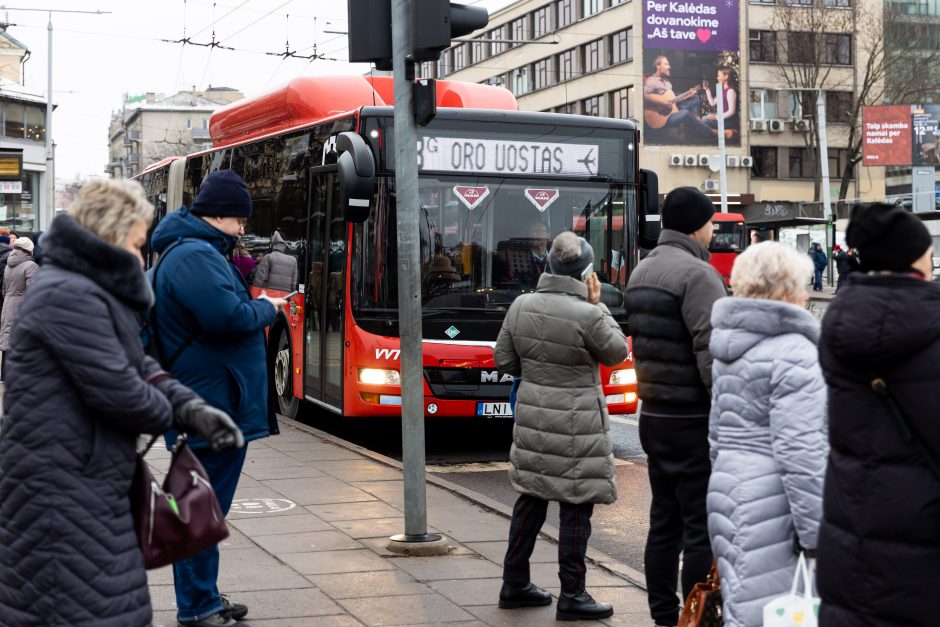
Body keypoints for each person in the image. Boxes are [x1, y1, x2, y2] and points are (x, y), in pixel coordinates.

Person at [0, 179, 244, 626]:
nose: (139, 255)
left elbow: (139, 367)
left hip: (84, 478)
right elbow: (122, 391)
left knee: (100, 601)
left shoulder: (88, 290)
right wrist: (173, 412)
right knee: (86, 606)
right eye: (135, 243)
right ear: (109, 235)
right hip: (60, 486)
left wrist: (190, 406)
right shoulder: (68, 294)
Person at [150, 170, 287, 627]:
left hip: (211, 398)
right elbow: (226, 317)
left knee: (200, 507)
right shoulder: (195, 256)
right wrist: (268, 308)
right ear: (221, 214)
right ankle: (198, 606)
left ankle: (203, 598)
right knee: (199, 512)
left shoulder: (198, 252)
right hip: (210, 404)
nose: (244, 229)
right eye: (241, 220)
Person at [816, 203, 940, 625]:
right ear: (911, 258)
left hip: (852, 532)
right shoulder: (926, 325)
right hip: (922, 549)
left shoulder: (841, 322)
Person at [495, 231, 629, 621]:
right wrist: (597, 305)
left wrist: (537, 375)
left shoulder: (521, 305)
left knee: (531, 500)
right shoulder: (588, 313)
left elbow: (504, 360)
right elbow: (618, 351)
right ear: (586, 272)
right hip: (577, 424)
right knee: (574, 506)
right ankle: (573, 593)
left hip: (534, 418)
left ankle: (514, 583)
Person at [708, 241, 827, 627]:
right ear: (785, 290)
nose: (808, 293)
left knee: (746, 609)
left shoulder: (730, 346)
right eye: (801, 284)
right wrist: (818, 537)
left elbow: (716, 433)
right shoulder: (794, 350)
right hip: (774, 502)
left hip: (728, 490)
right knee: (779, 613)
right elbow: (802, 451)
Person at [625, 187, 727, 627]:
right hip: (692, 418)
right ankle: (696, 619)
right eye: (710, 223)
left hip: (655, 417)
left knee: (663, 524)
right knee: (699, 527)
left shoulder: (640, 271)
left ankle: (664, 618)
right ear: (695, 224)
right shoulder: (698, 276)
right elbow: (711, 351)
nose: (712, 231)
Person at [643, 55, 713, 141]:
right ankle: (710, 132)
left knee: (695, 98)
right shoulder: (651, 81)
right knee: (685, 113)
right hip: (661, 118)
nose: (669, 67)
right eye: (666, 64)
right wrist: (661, 102)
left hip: (671, 110)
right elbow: (644, 97)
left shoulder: (667, 82)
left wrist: (688, 94)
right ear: (658, 66)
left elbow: (672, 100)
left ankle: (696, 120)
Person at [0, 237, 38, 380]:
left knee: (8, 337)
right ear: (29, 250)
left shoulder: (9, 265)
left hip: (8, 304)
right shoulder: (31, 266)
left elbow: (4, 289)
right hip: (22, 306)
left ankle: (5, 374)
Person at [702, 66, 738, 138]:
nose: (717, 78)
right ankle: (725, 131)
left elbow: (732, 112)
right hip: (721, 116)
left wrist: (716, 117)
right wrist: (707, 89)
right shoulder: (721, 90)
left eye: (719, 76)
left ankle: (726, 131)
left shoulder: (730, 91)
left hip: (728, 120)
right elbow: (712, 103)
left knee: (704, 120)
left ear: (726, 76)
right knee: (706, 116)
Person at [515, 219, 551, 288]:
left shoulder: (556, 260)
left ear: (548, 235)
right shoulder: (520, 259)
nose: (534, 234)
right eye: (531, 232)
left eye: (538, 231)